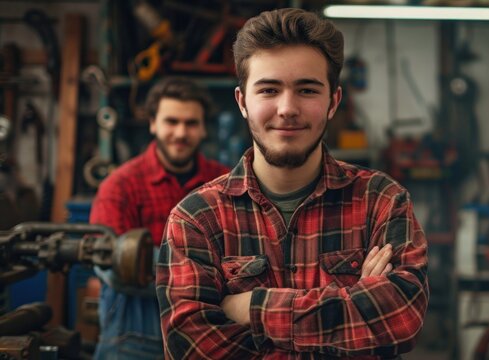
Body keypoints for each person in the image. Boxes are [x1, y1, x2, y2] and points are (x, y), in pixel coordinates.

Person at [156, 8, 429, 359]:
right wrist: (353, 308)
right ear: (243, 102)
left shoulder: (382, 202)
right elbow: (191, 348)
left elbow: (401, 320)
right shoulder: (196, 218)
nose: (287, 108)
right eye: (269, 89)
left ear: (333, 101)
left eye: (307, 90)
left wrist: (251, 306)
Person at [90, 77, 229, 359]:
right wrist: (207, 277)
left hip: (210, 333)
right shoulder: (120, 186)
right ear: (153, 123)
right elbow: (110, 264)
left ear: (203, 128)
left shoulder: (224, 183)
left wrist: (151, 266)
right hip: (134, 330)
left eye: (191, 123)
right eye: (171, 121)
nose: (180, 132)